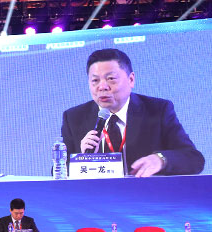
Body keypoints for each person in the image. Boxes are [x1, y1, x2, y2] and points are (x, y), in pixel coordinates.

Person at [61, 48, 204, 177]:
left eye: (111, 79)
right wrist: (81, 158)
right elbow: (58, 170)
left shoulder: (158, 110)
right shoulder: (74, 117)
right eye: (95, 80)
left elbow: (194, 159)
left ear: (131, 80)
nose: (102, 86)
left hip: (144, 195)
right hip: (96, 196)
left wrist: (161, 159)